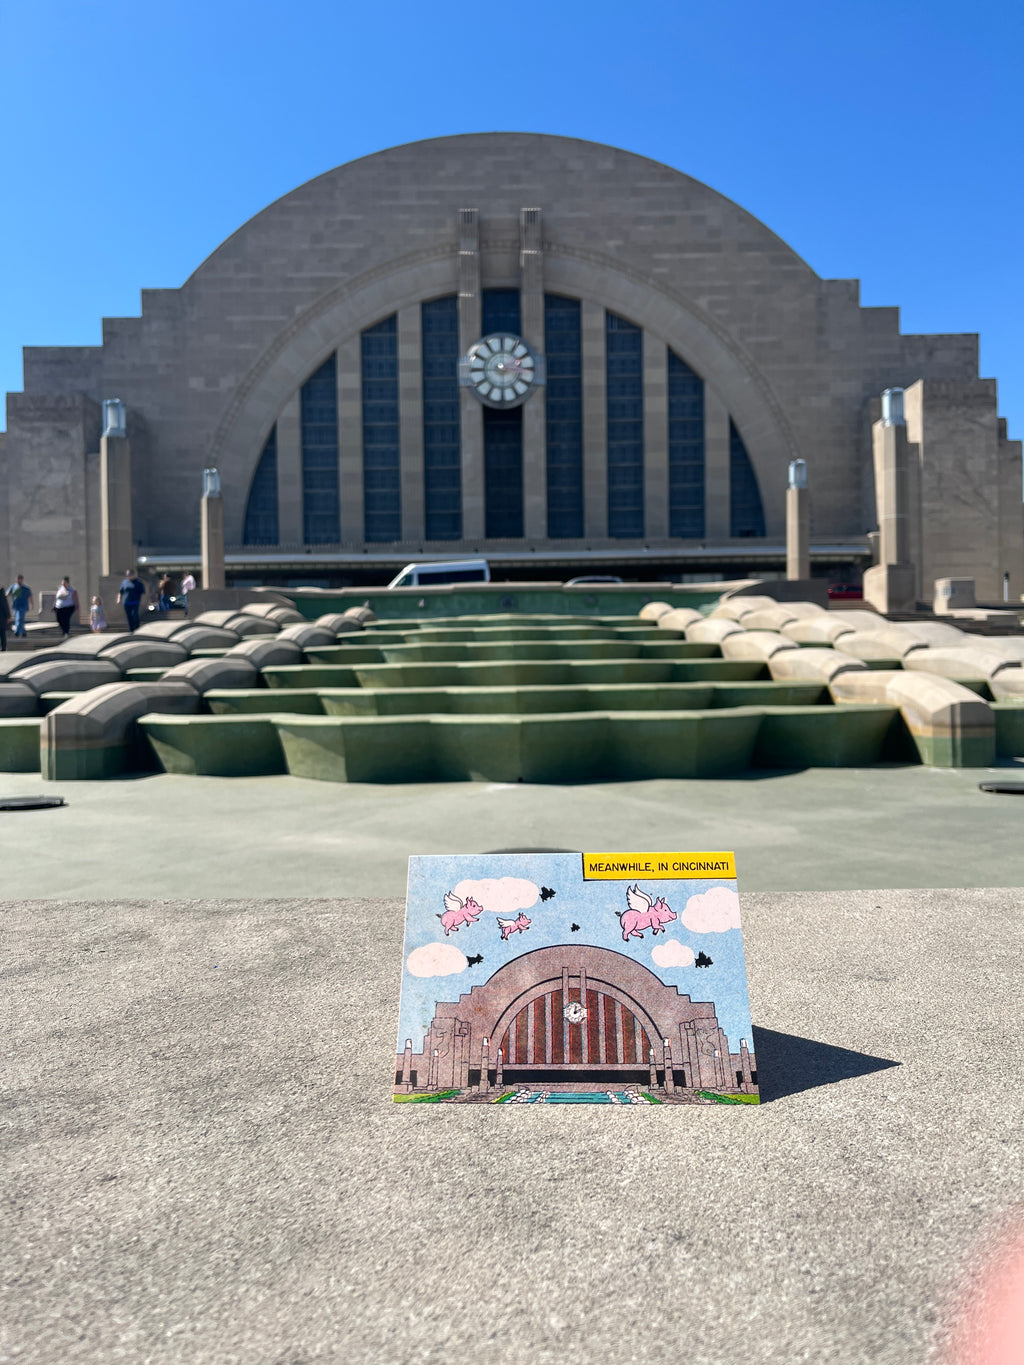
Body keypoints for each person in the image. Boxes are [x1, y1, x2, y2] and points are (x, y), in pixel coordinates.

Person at [0, 584, 9, 652]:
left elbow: (5, 606)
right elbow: (5, 606)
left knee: (2, 633)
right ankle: (3, 647)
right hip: (2, 617)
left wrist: (8, 616)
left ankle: (3, 647)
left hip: (2, 617)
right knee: (2, 633)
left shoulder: (2, 596)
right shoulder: (2, 595)